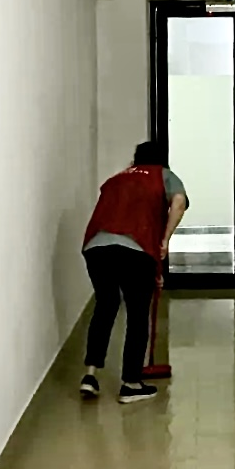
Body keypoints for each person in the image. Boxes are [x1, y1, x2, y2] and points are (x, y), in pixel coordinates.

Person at [78, 141, 188, 404]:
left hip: (96, 247)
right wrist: (165, 239)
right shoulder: (163, 175)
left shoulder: (116, 178)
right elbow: (179, 203)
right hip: (135, 247)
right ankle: (130, 383)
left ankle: (90, 375)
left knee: (106, 305)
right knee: (138, 313)